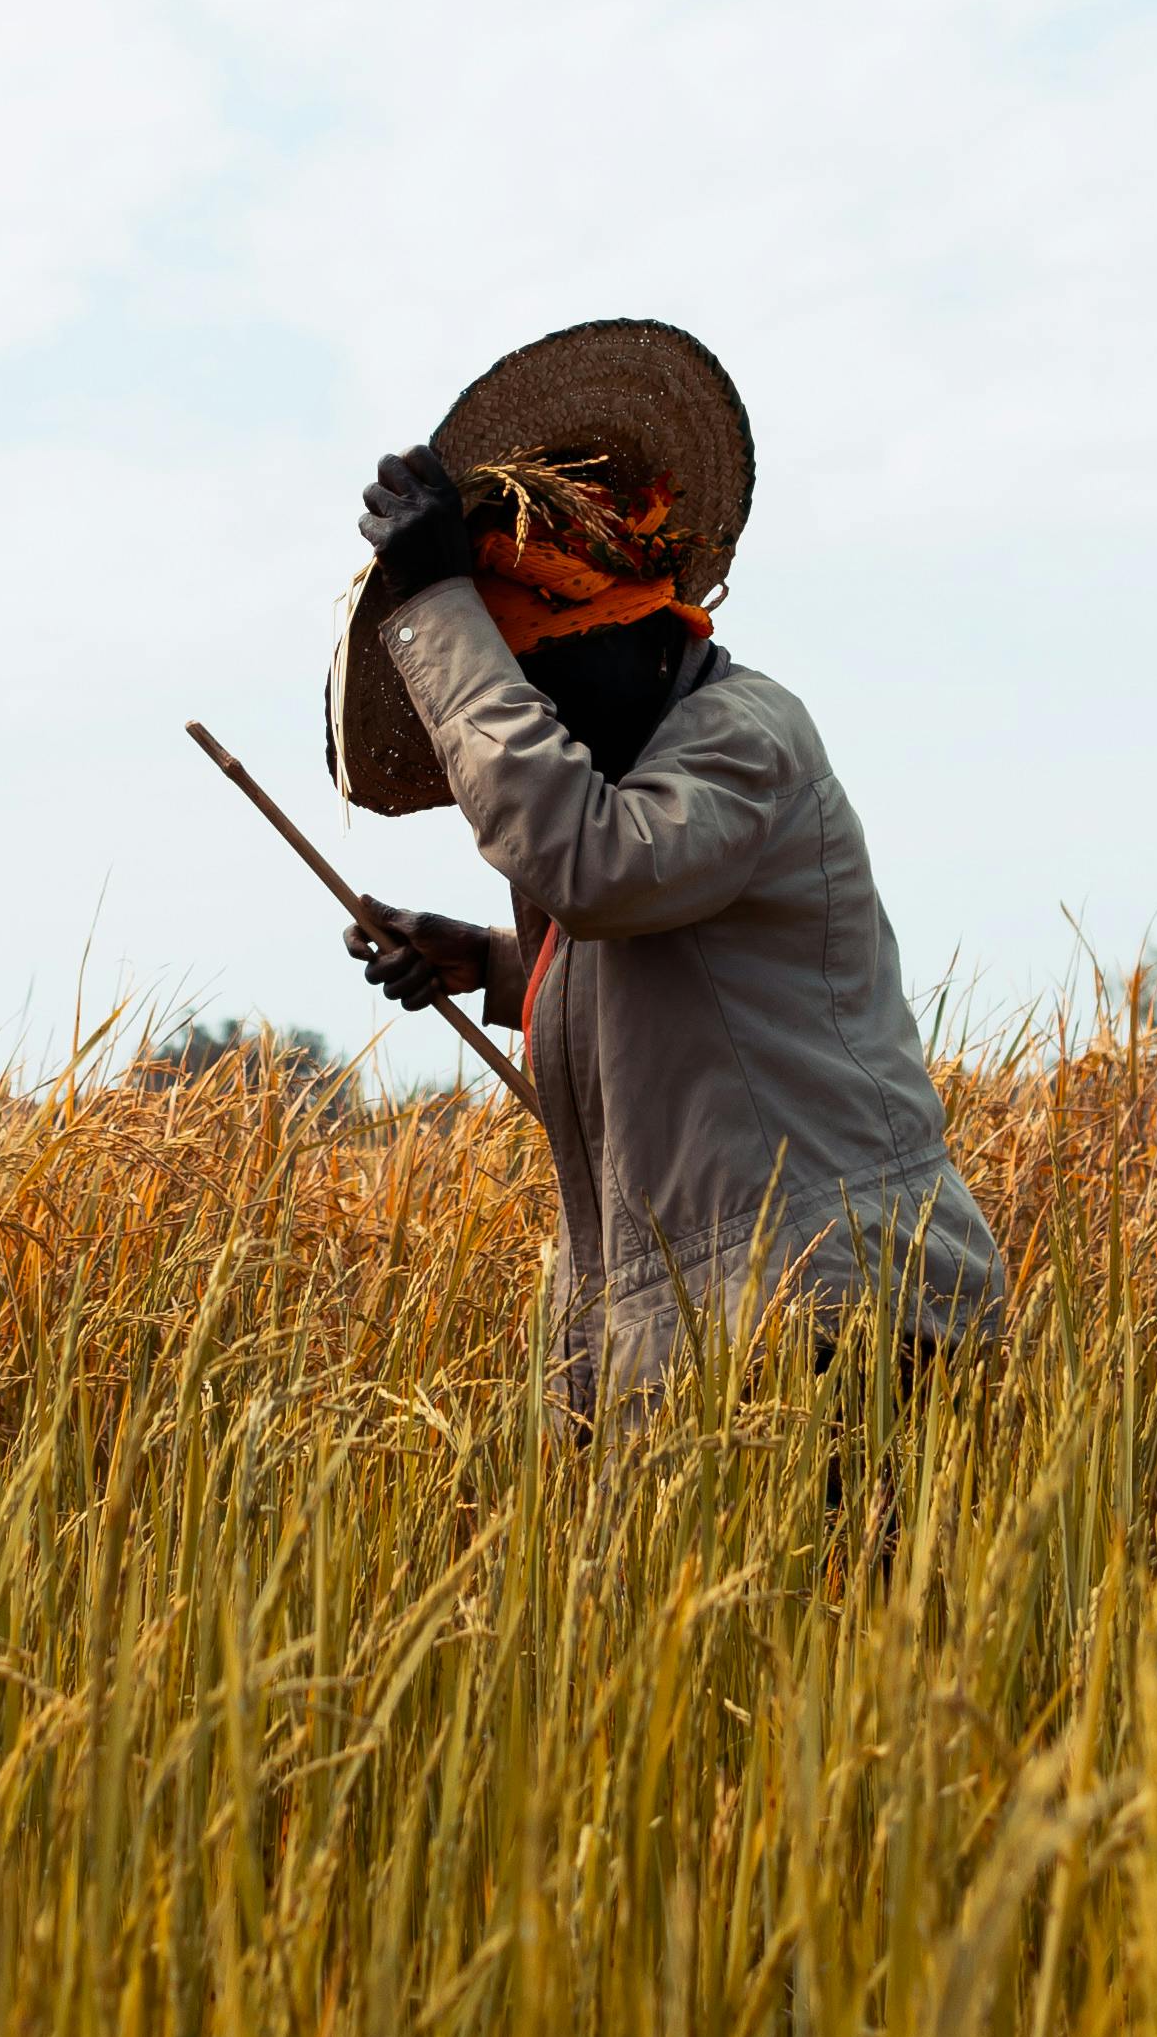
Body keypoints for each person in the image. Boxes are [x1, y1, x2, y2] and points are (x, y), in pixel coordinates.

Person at [321, 318, 1006, 1422]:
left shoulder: (742, 737)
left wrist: (443, 607)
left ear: (639, 631)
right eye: (516, 687)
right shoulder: (639, 797)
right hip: (720, 1340)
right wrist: (491, 964)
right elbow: (681, 974)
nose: (539, 716)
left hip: (832, 1322)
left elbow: (595, 873)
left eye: (544, 673)